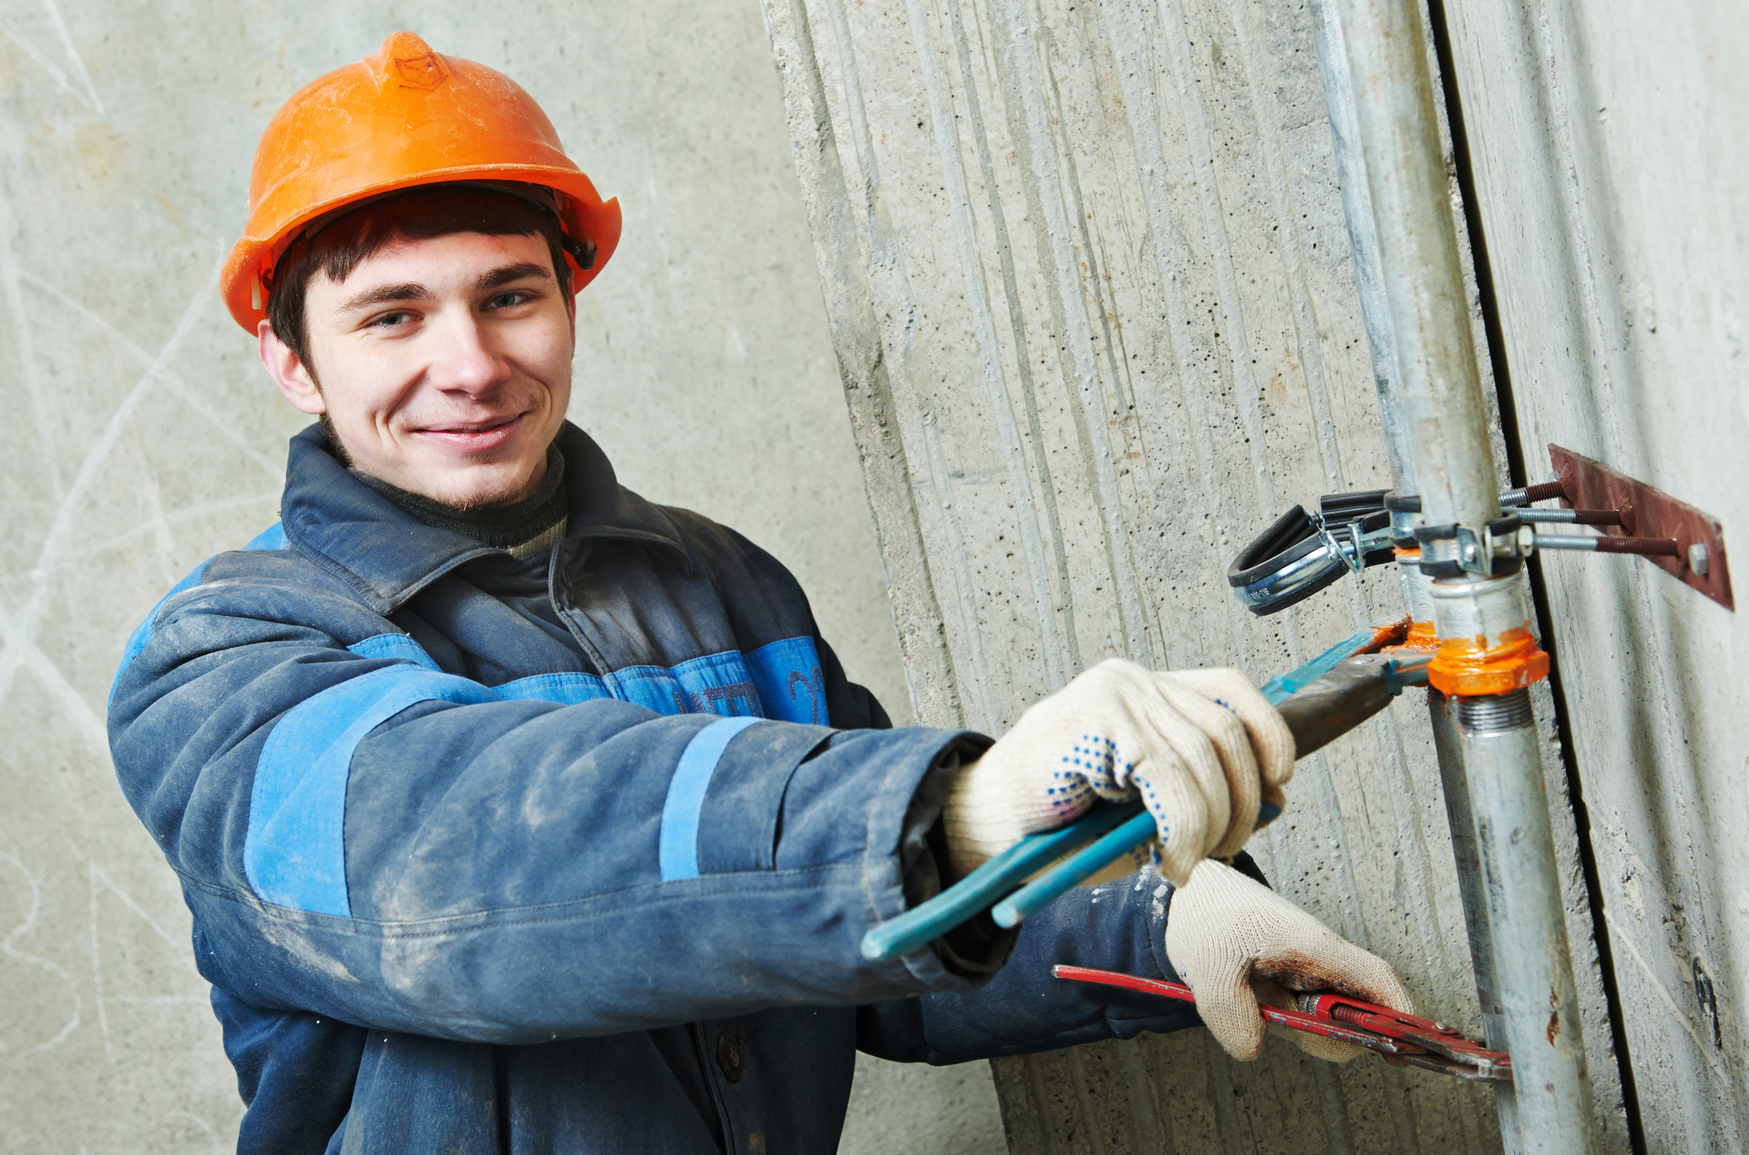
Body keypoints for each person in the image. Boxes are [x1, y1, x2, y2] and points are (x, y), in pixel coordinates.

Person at [108, 31, 1414, 1155]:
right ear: (290, 361)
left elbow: (875, 944)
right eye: (391, 316)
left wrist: (1164, 920)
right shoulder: (226, 663)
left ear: (572, 297)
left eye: (510, 296)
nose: (470, 363)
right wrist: (949, 808)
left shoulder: (718, 586)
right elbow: (481, 851)